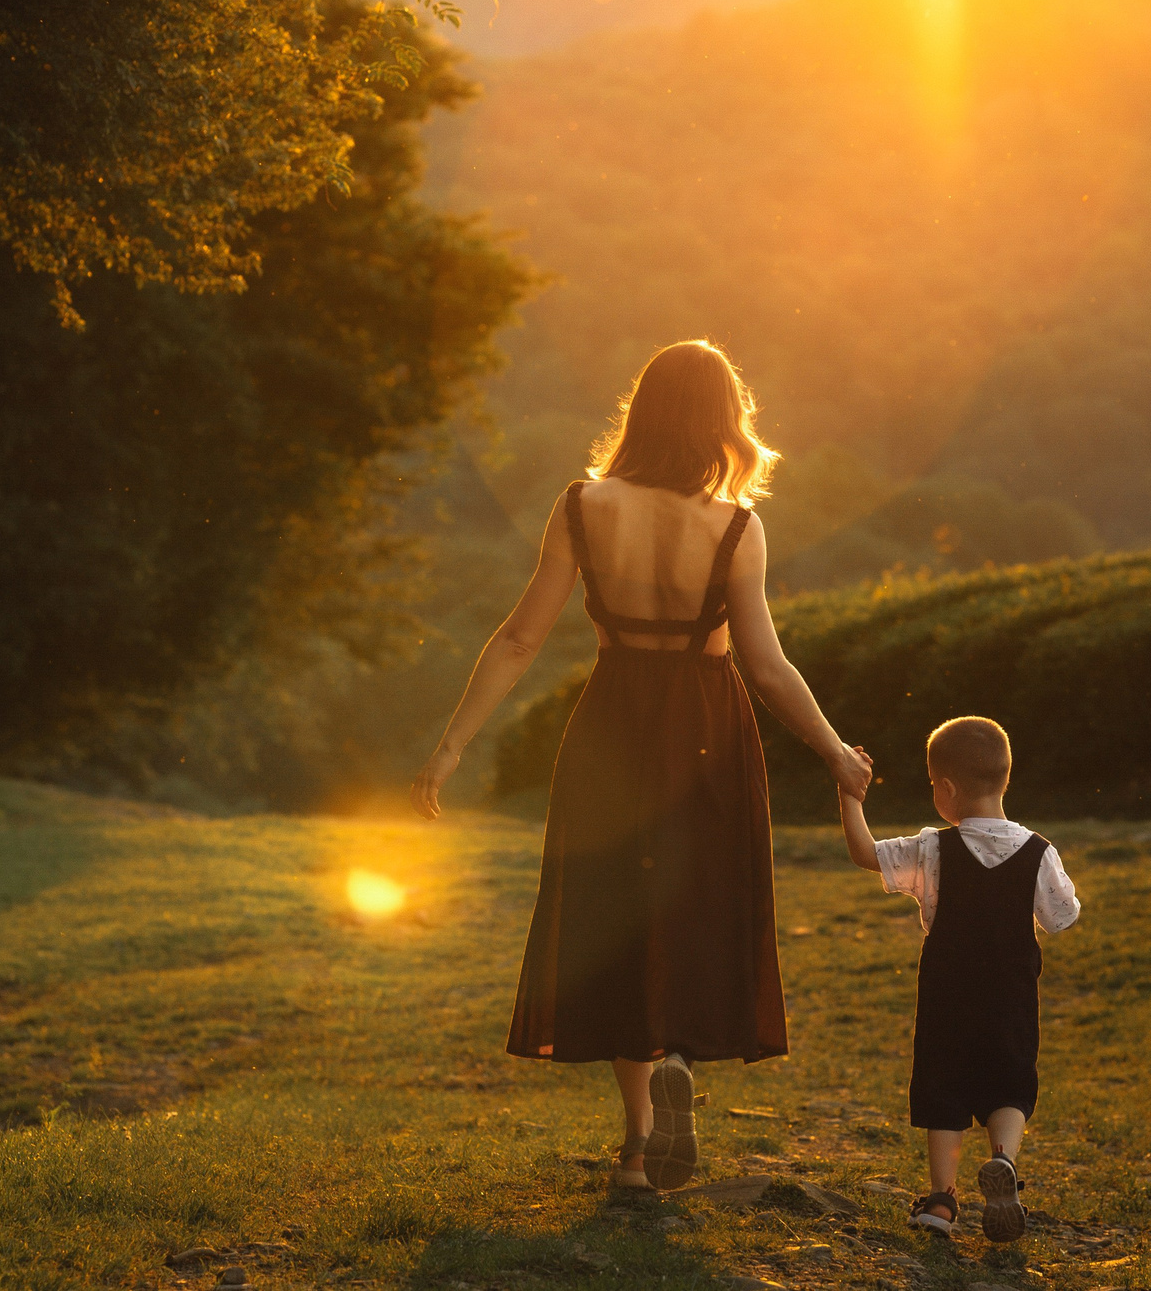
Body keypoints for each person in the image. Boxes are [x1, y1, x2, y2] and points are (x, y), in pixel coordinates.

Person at [410, 340, 874, 1195]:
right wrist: (835, 751)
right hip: (705, 726)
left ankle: (636, 1145)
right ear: (722, 419)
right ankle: (679, 1059)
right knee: (693, 908)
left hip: (612, 725)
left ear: (643, 411)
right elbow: (768, 667)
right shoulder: (736, 525)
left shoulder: (583, 505)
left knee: (618, 914)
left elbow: (519, 638)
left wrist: (452, 743)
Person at [838, 715, 1080, 1244]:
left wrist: (850, 795)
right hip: (1011, 996)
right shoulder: (1038, 850)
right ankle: (1004, 1162)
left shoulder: (933, 848)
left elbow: (864, 853)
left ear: (945, 788)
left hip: (948, 993)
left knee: (943, 1087)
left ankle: (943, 1200)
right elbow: (1064, 915)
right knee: (1010, 1081)